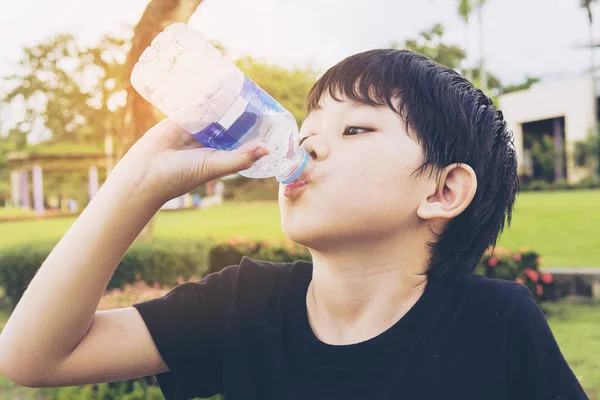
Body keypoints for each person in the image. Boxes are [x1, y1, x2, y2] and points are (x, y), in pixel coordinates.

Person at [0, 49, 588, 400]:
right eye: (308, 125)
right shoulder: (244, 304)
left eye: (355, 129)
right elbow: (34, 358)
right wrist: (139, 181)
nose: (306, 142)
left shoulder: (495, 323)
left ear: (443, 190)